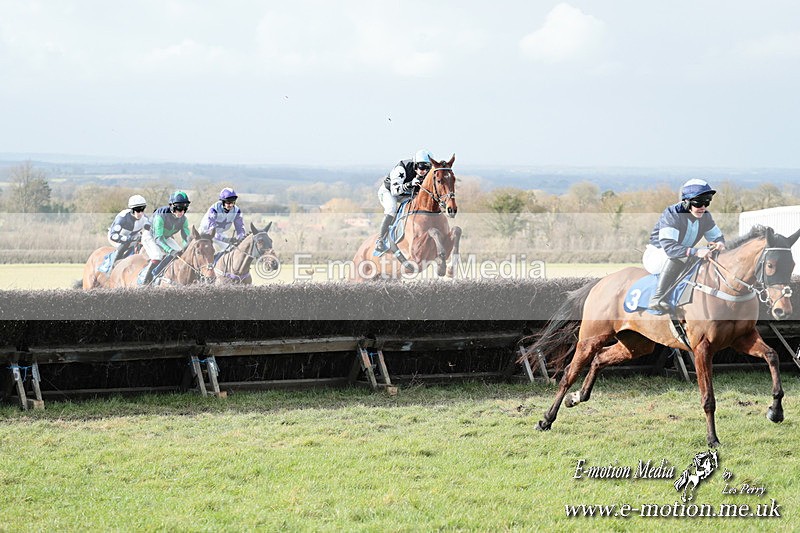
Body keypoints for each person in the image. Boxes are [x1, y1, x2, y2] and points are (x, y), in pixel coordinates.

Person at [644, 179, 726, 313]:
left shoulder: (705, 216)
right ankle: (658, 297)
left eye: (707, 202)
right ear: (686, 201)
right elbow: (670, 248)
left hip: (681, 254)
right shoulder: (672, 214)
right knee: (681, 256)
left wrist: (720, 243)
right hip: (658, 254)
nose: (703, 207)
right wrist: (696, 251)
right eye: (699, 203)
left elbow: (717, 237)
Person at [374, 148, 432, 253]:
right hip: (389, 192)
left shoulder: (426, 173)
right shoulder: (401, 168)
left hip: (406, 194)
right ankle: (380, 240)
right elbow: (395, 191)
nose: (424, 171)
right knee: (392, 209)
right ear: (415, 164)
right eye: (422, 167)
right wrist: (410, 184)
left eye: (428, 168)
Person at [139, 191, 192, 285]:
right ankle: (146, 281)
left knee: (180, 253)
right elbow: (158, 239)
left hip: (165, 237)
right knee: (157, 255)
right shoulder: (160, 216)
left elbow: (186, 238)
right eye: (179, 208)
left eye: (185, 208)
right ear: (172, 206)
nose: (182, 212)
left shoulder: (184, 219)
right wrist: (170, 251)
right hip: (150, 236)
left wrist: (187, 249)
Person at [106, 194, 149, 266]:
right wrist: (129, 239)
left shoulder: (145, 219)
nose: (141, 213)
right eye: (138, 210)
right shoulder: (122, 218)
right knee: (125, 244)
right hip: (117, 237)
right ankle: (113, 265)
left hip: (132, 238)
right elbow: (113, 236)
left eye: (142, 210)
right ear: (132, 210)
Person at [200, 187, 245, 253]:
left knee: (230, 250)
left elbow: (240, 229)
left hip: (219, 233)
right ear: (222, 201)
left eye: (233, 202)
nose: (231, 205)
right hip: (204, 233)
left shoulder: (237, 211)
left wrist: (239, 239)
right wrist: (226, 240)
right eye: (228, 202)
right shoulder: (214, 210)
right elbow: (212, 232)